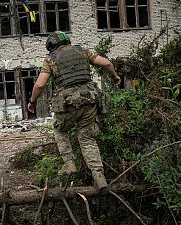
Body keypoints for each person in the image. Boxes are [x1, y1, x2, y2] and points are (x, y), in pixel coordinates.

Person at [27, 31, 121, 190]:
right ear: (67, 41)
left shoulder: (50, 59)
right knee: (87, 138)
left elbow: (40, 85)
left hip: (68, 104)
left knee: (59, 129)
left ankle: (69, 163)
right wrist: (114, 76)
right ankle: (99, 177)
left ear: (51, 47)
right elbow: (106, 63)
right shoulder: (83, 51)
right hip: (89, 101)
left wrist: (32, 102)